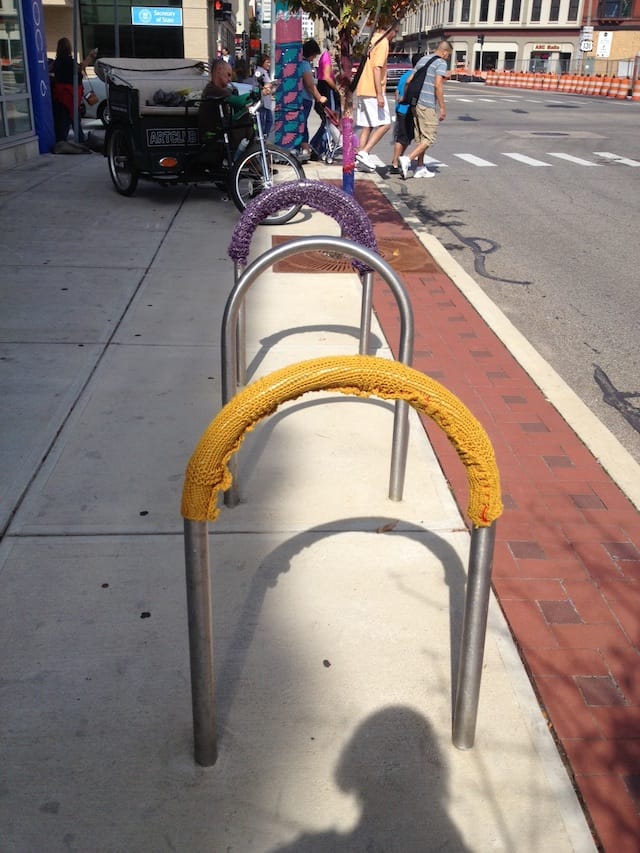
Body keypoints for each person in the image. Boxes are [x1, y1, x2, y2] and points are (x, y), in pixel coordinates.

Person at [398, 40, 452, 180]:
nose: (447, 58)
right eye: (448, 55)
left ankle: (420, 167)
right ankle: (408, 159)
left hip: (415, 103)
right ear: (444, 52)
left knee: (421, 137)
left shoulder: (423, 59)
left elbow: (409, 80)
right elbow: (438, 85)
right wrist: (442, 108)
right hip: (427, 104)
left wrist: (405, 97)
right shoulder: (440, 63)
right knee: (429, 138)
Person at [354, 19, 400, 172]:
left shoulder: (372, 40)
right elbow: (376, 68)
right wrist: (380, 94)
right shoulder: (383, 42)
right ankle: (364, 152)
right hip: (373, 90)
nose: (395, 35)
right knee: (385, 124)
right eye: (396, 31)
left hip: (363, 88)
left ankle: (359, 161)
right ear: (389, 30)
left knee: (367, 126)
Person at [198, 58, 254, 154]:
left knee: (246, 118)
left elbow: (238, 107)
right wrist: (256, 93)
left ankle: (251, 157)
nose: (230, 79)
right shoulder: (212, 89)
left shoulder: (223, 90)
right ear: (219, 71)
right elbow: (238, 102)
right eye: (228, 75)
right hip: (214, 132)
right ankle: (250, 158)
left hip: (222, 128)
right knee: (245, 123)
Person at [51, 37, 96, 144]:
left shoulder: (56, 62)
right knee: (73, 116)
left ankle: (64, 138)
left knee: (64, 118)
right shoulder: (70, 62)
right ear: (68, 48)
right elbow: (80, 68)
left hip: (60, 94)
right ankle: (75, 138)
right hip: (71, 94)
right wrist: (90, 57)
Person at [388, 53, 421, 174]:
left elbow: (397, 90)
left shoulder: (406, 74)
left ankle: (398, 160)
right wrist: (404, 99)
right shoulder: (414, 76)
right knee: (402, 138)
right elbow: (405, 86)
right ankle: (395, 164)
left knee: (406, 138)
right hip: (405, 110)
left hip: (401, 109)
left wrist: (398, 101)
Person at [310, 44, 341, 159]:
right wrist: (337, 88)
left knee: (328, 121)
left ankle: (318, 147)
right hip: (327, 89)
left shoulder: (327, 57)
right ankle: (317, 146)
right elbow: (327, 77)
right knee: (330, 119)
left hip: (326, 88)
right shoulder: (327, 57)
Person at [299, 39, 327, 162]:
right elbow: (309, 85)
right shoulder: (304, 64)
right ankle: (305, 149)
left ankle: (305, 148)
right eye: (315, 54)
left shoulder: (300, 63)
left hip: (303, 98)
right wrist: (319, 97)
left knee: (302, 124)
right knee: (302, 124)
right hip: (304, 99)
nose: (314, 57)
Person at [253, 53, 274, 138]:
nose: (269, 64)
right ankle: (261, 137)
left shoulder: (264, 71)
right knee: (262, 121)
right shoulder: (259, 71)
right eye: (267, 62)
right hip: (262, 101)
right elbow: (259, 85)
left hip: (265, 101)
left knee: (268, 120)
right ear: (262, 62)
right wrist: (268, 86)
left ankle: (264, 136)